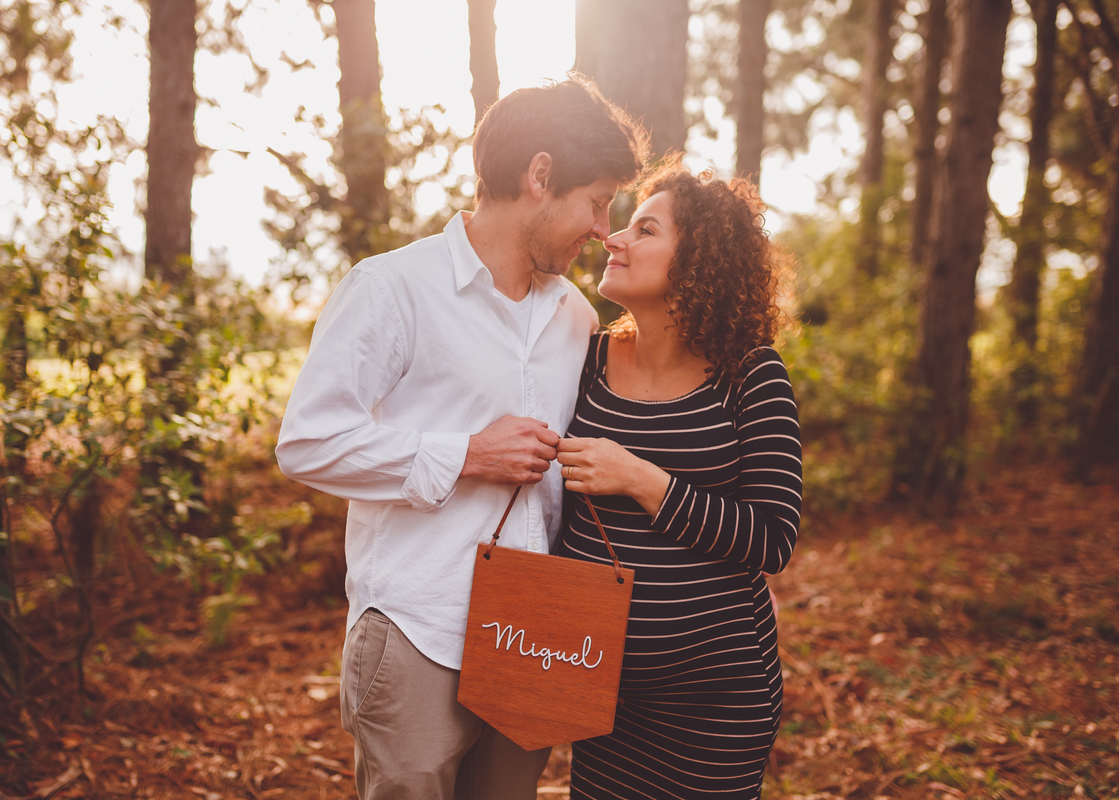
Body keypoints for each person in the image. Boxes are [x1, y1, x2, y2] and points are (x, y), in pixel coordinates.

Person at [275, 75, 647, 800]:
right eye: (597, 201)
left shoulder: (575, 314)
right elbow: (306, 441)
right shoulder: (391, 289)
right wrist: (467, 454)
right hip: (419, 626)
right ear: (539, 175)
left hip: (535, 635)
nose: (604, 228)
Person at [555, 156, 801, 799]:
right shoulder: (586, 361)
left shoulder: (751, 373)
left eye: (645, 229)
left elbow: (772, 540)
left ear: (699, 260)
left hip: (715, 701)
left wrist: (642, 478)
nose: (614, 238)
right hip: (601, 686)